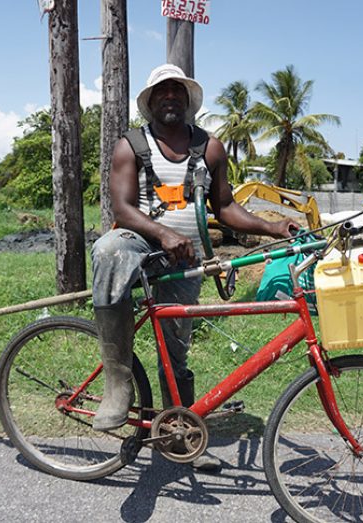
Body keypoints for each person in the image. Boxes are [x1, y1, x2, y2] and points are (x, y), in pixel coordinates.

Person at [90, 64, 296, 470]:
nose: (170, 97)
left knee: (176, 350)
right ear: (151, 102)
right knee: (108, 251)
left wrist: (272, 227)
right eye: (162, 92)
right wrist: (163, 234)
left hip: (186, 258)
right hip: (140, 243)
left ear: (187, 101)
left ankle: (179, 436)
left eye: (177, 92)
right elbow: (123, 209)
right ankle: (117, 384)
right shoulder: (130, 146)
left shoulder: (210, 148)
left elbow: (224, 207)